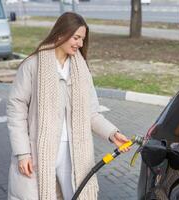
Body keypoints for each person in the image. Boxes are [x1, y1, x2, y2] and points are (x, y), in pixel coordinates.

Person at [7, 12, 130, 200]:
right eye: (76, 37)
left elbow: (92, 113)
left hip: (74, 153)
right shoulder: (33, 66)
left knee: (78, 195)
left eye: (82, 39)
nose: (80, 44)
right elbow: (16, 110)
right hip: (38, 151)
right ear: (60, 34)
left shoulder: (82, 70)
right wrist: (22, 152)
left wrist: (112, 134)